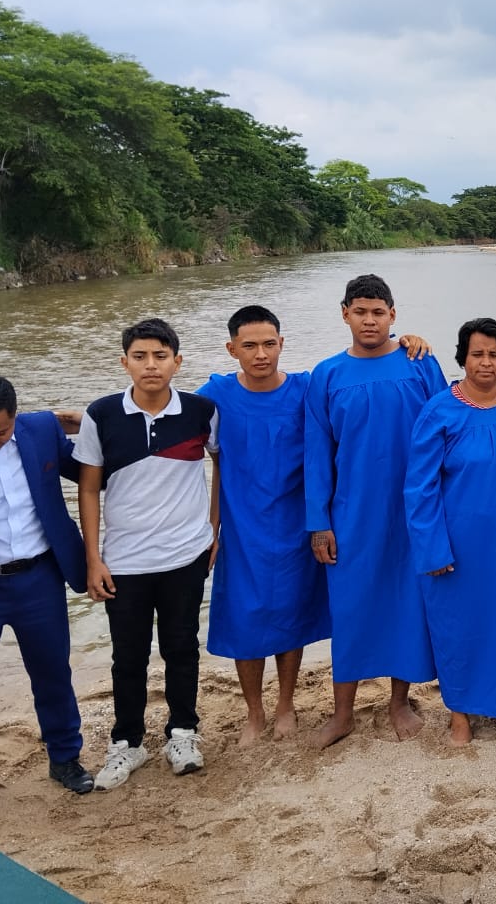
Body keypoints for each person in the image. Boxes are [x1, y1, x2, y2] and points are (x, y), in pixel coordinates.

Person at [75, 318, 219, 790]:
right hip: (125, 561)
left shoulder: (202, 411)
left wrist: (214, 529)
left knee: (182, 647)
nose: (150, 365)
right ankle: (127, 742)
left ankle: (183, 732)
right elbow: (90, 489)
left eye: (160, 355)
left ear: (178, 361)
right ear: (124, 363)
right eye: (140, 356)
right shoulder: (101, 415)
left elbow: (222, 466)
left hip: (185, 555)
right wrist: (93, 557)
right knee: (128, 656)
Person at [304, 274, 447, 748]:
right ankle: (342, 711)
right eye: (360, 311)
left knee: (409, 603)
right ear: (344, 313)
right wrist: (319, 521)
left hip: (413, 508)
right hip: (353, 511)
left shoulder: (419, 363)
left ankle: (398, 701)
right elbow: (317, 451)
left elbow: (451, 426)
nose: (370, 320)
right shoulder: (327, 374)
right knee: (351, 606)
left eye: (378, 311)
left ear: (393, 315)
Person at [198, 305, 331, 745]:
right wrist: (211, 526)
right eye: (250, 345)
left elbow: (355, 396)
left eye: (269, 344)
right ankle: (254, 712)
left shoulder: (305, 389)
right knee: (244, 618)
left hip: (296, 523)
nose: (260, 354)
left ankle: (286, 704)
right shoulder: (214, 396)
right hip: (240, 525)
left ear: (281, 345)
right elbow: (161, 418)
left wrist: (408, 344)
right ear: (231, 348)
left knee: (291, 613)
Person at [405, 317, 496, 747]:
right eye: (477, 353)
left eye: (495, 354)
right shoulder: (439, 410)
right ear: (462, 357)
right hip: (456, 543)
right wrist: (432, 547)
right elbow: (419, 485)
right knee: (458, 626)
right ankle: (460, 715)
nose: (486, 362)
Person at [0, 375, 93, 806]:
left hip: (39, 576)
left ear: (15, 419)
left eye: (0, 433)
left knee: (53, 672)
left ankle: (65, 759)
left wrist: (96, 421)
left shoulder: (41, 429)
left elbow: (92, 475)